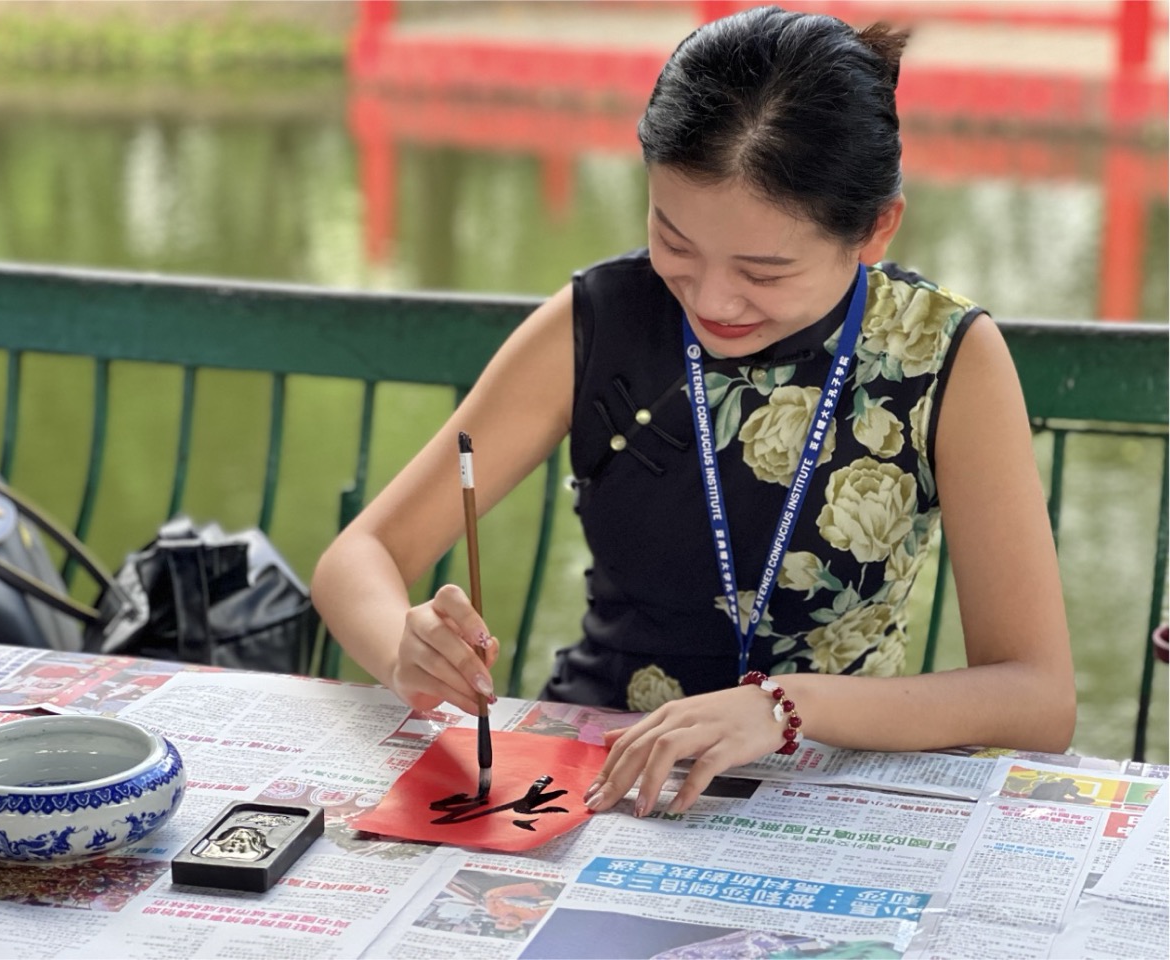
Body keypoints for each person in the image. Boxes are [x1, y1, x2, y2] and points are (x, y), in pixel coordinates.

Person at [311, 5, 1075, 819]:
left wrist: (785, 706)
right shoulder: (603, 317)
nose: (711, 299)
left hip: (822, 786)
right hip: (596, 774)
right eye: (674, 243)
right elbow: (360, 556)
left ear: (875, 229)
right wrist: (406, 646)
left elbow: (1036, 697)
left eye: (765, 271)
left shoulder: (943, 356)